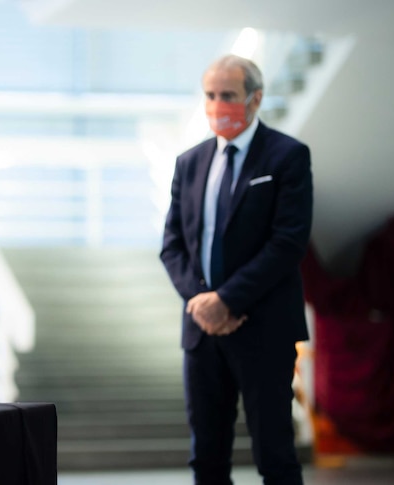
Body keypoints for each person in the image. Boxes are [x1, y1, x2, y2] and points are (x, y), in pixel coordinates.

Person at [160, 54, 312, 484]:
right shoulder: (190, 163)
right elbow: (172, 245)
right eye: (210, 95)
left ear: (255, 98)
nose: (216, 104)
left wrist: (228, 299)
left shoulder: (287, 157)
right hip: (201, 334)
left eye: (228, 95)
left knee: (275, 456)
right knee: (206, 460)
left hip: (264, 328)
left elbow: (288, 242)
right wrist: (202, 302)